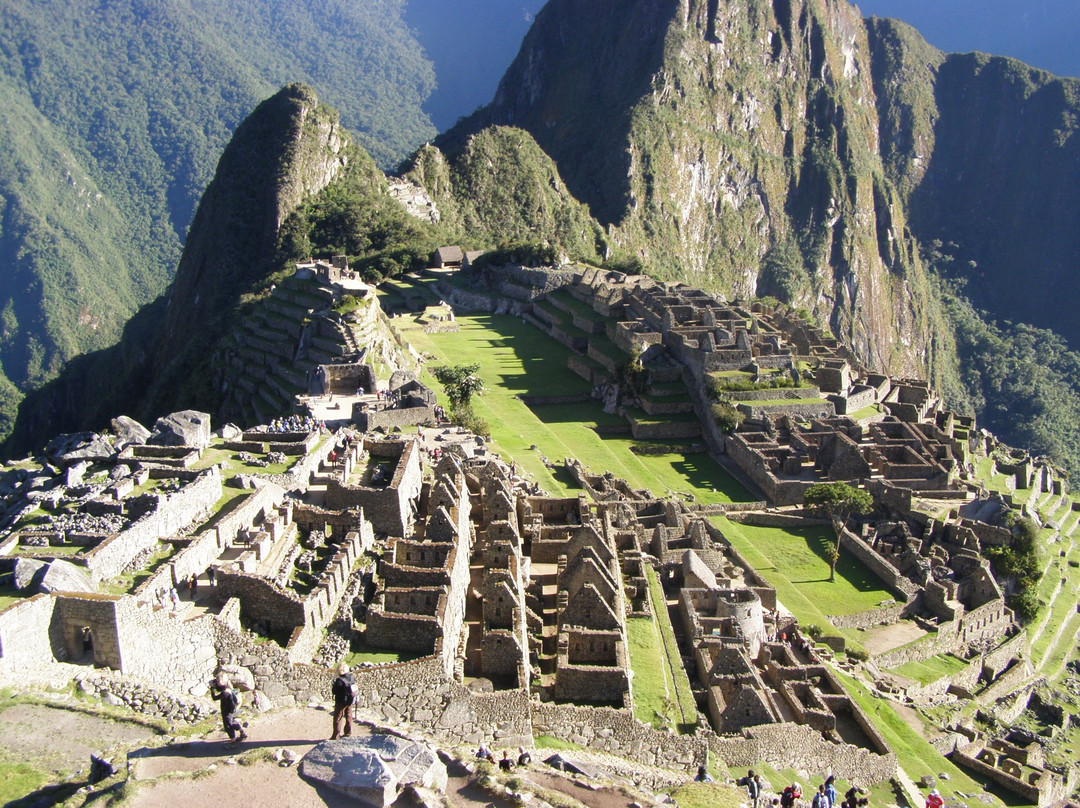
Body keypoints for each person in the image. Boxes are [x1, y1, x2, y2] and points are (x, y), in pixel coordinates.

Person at [209, 676, 247, 748]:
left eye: (218, 681)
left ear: (223, 682)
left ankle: (233, 742)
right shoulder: (228, 687)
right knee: (232, 721)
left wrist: (212, 689)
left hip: (226, 711)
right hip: (231, 710)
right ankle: (242, 733)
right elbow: (220, 688)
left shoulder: (224, 693)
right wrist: (215, 685)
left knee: (228, 726)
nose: (217, 683)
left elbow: (214, 698)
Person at [330, 663, 357, 739]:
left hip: (340, 701)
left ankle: (336, 735)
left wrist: (334, 685)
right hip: (350, 700)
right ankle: (348, 733)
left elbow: (335, 691)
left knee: (338, 718)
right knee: (349, 716)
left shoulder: (339, 680)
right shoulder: (351, 677)